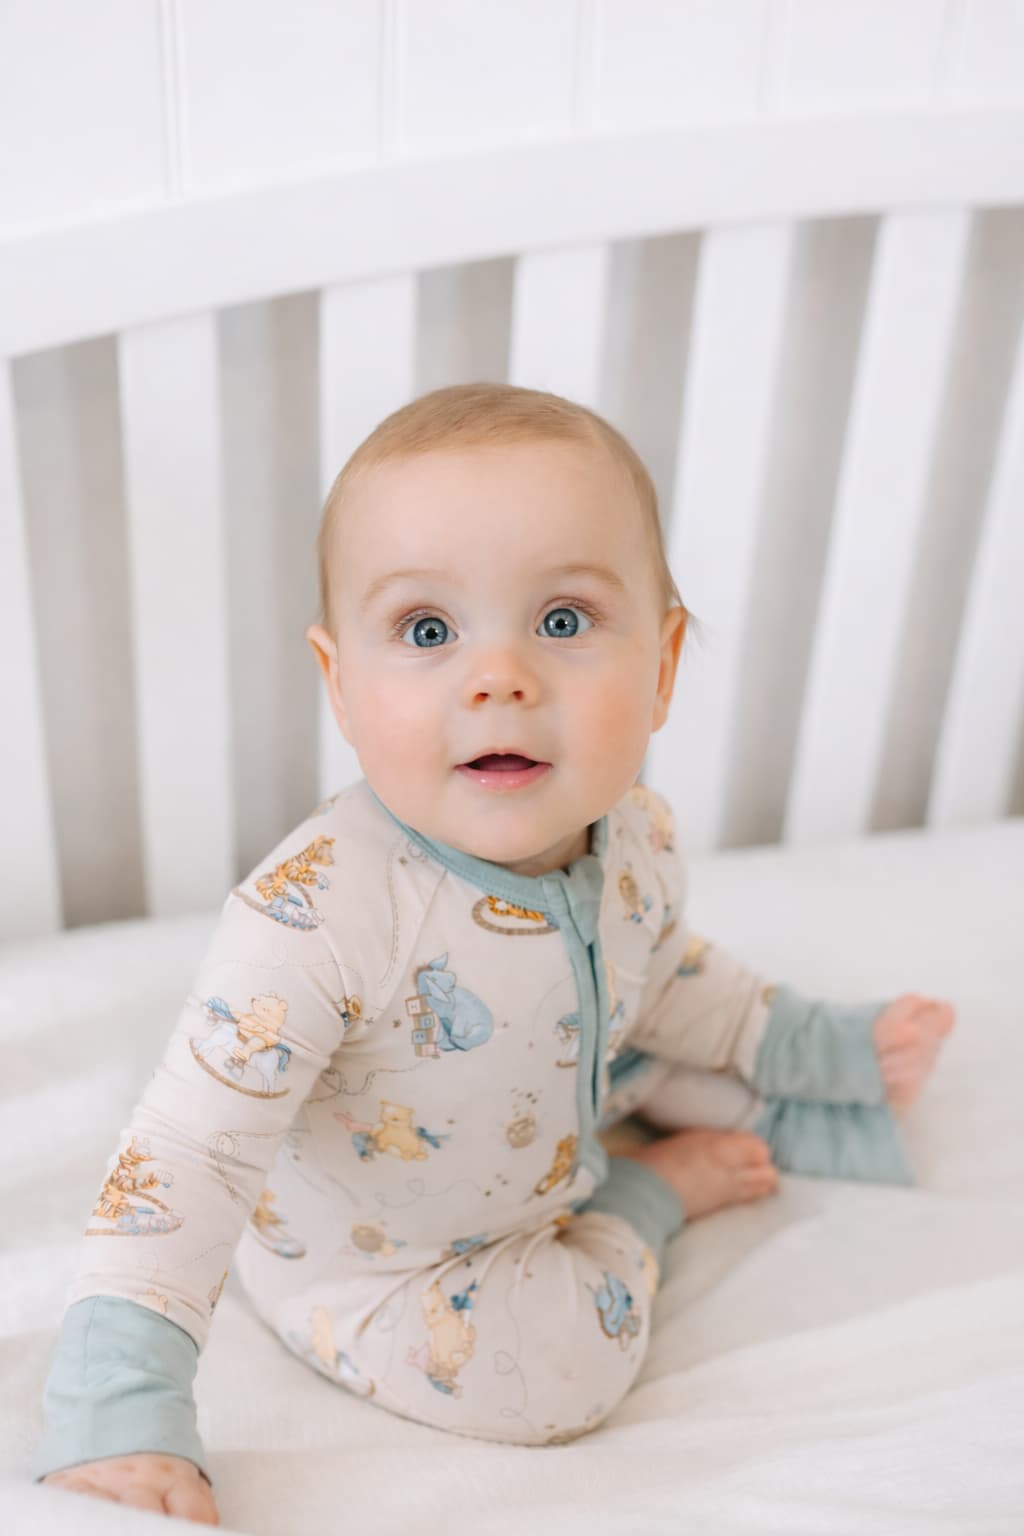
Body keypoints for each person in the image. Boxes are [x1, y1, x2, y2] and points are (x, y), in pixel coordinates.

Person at [33, 383, 955, 1524]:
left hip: (562, 1097)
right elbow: (184, 1159)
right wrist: (118, 1413)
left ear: (663, 665)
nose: (500, 676)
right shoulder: (317, 916)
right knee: (555, 1374)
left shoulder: (635, 835)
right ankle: (643, 1197)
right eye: (428, 631)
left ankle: (796, 1100)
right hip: (386, 1261)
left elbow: (667, 975)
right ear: (340, 683)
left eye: (563, 620)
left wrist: (824, 1043)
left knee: (670, 1035)